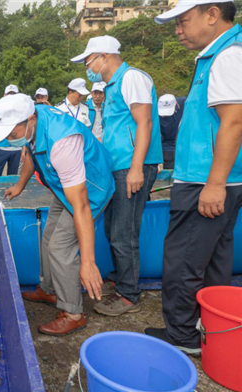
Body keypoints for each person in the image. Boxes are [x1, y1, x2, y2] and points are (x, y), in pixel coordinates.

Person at [145, 0, 242, 356]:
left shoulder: (227, 57)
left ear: (212, 14)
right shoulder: (221, 54)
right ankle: (211, 328)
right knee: (215, 259)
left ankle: (182, 336)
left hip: (208, 180)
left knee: (183, 260)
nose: (178, 30)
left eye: (184, 21)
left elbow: (234, 122)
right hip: (219, 178)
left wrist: (214, 184)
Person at [0, 94, 115, 336]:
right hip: (64, 186)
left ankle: (73, 313)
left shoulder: (62, 142)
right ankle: (49, 289)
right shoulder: (32, 121)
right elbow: (31, 153)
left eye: (10, 132)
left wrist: (88, 262)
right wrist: (20, 186)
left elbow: (80, 206)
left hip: (90, 189)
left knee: (60, 247)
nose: (7, 137)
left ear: (29, 120)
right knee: (48, 237)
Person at [72, 35, 163, 316]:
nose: (87, 67)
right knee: (113, 228)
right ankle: (122, 276)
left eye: (88, 61)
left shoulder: (131, 78)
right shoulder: (112, 86)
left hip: (131, 166)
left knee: (124, 232)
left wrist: (137, 169)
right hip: (118, 166)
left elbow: (144, 122)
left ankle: (129, 294)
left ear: (104, 57)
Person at [157, 94, 186, 170]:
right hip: (167, 147)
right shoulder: (154, 112)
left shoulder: (185, 103)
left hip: (184, 146)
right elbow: (154, 136)